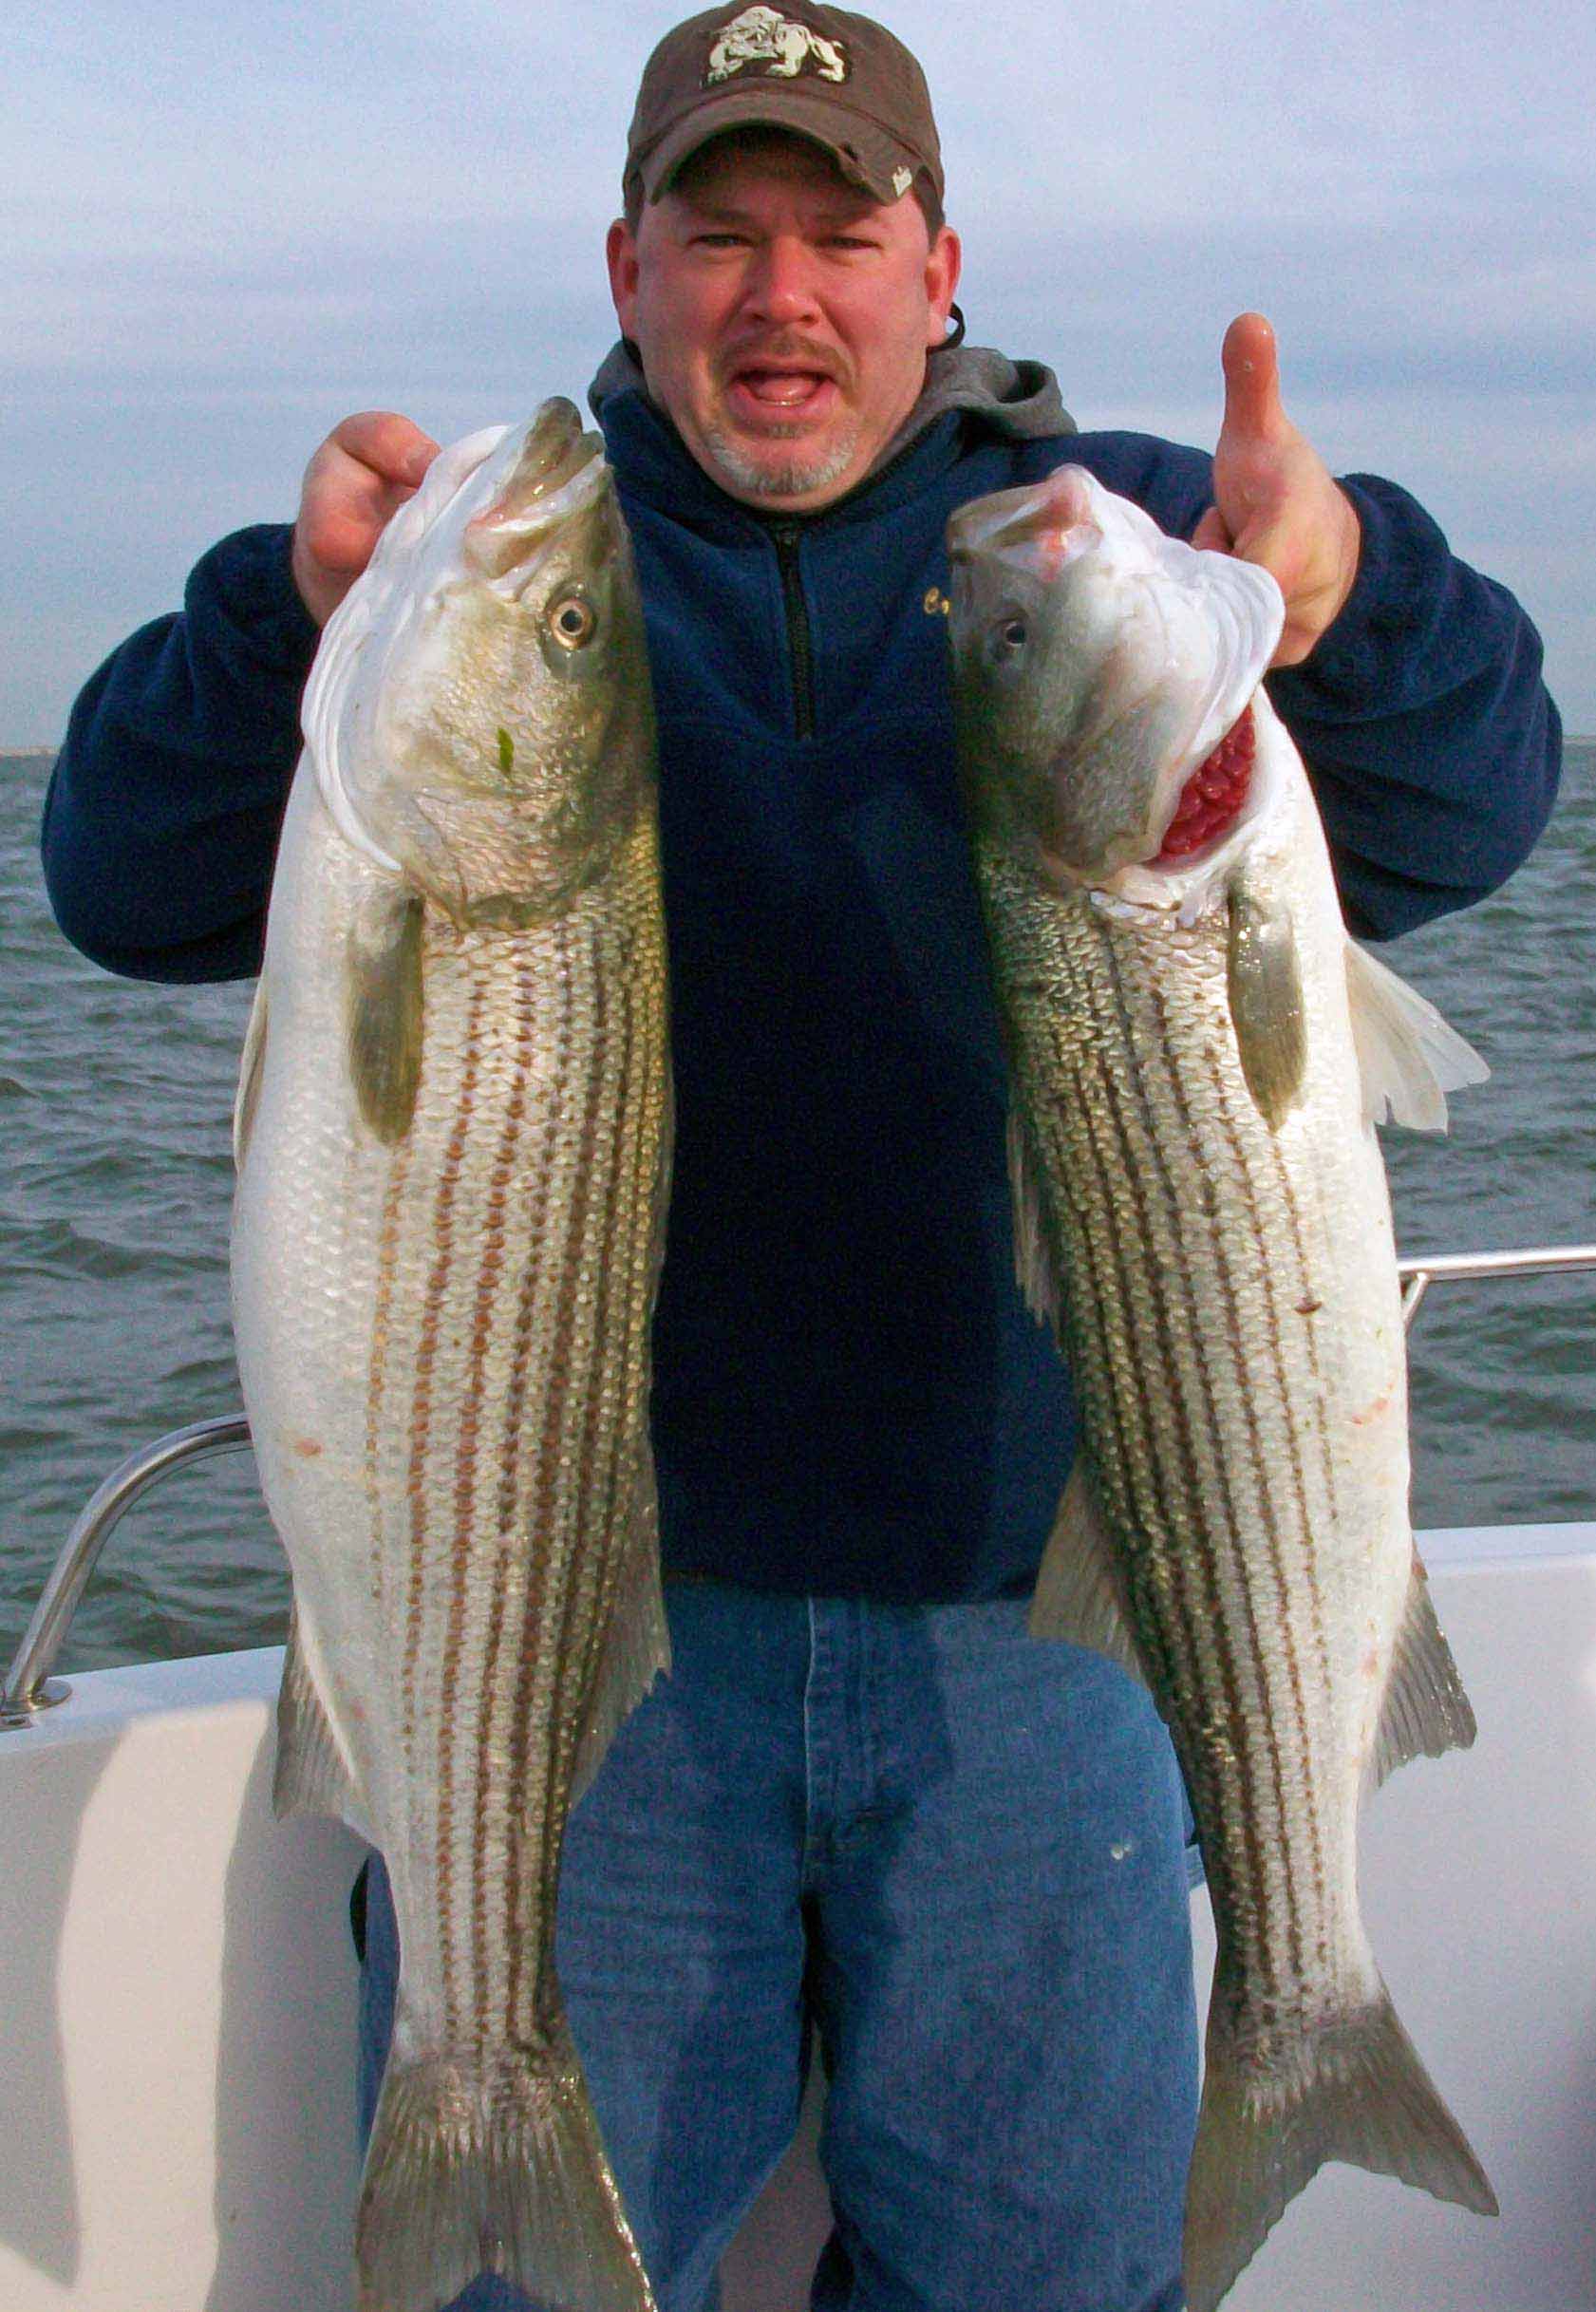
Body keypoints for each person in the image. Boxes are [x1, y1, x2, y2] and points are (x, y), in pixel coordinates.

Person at [41, 8, 1561, 2308]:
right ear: (626, 265)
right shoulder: (487, 585)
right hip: (594, 1630)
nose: (781, 293)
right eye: (716, 233)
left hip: (1052, 1624)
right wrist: (289, 619)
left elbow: (1468, 807)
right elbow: (119, 885)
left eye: (840, 234)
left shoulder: (1113, 547)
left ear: (936, 266)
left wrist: (1347, 605)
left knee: (1046, 2287)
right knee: (515, 2290)